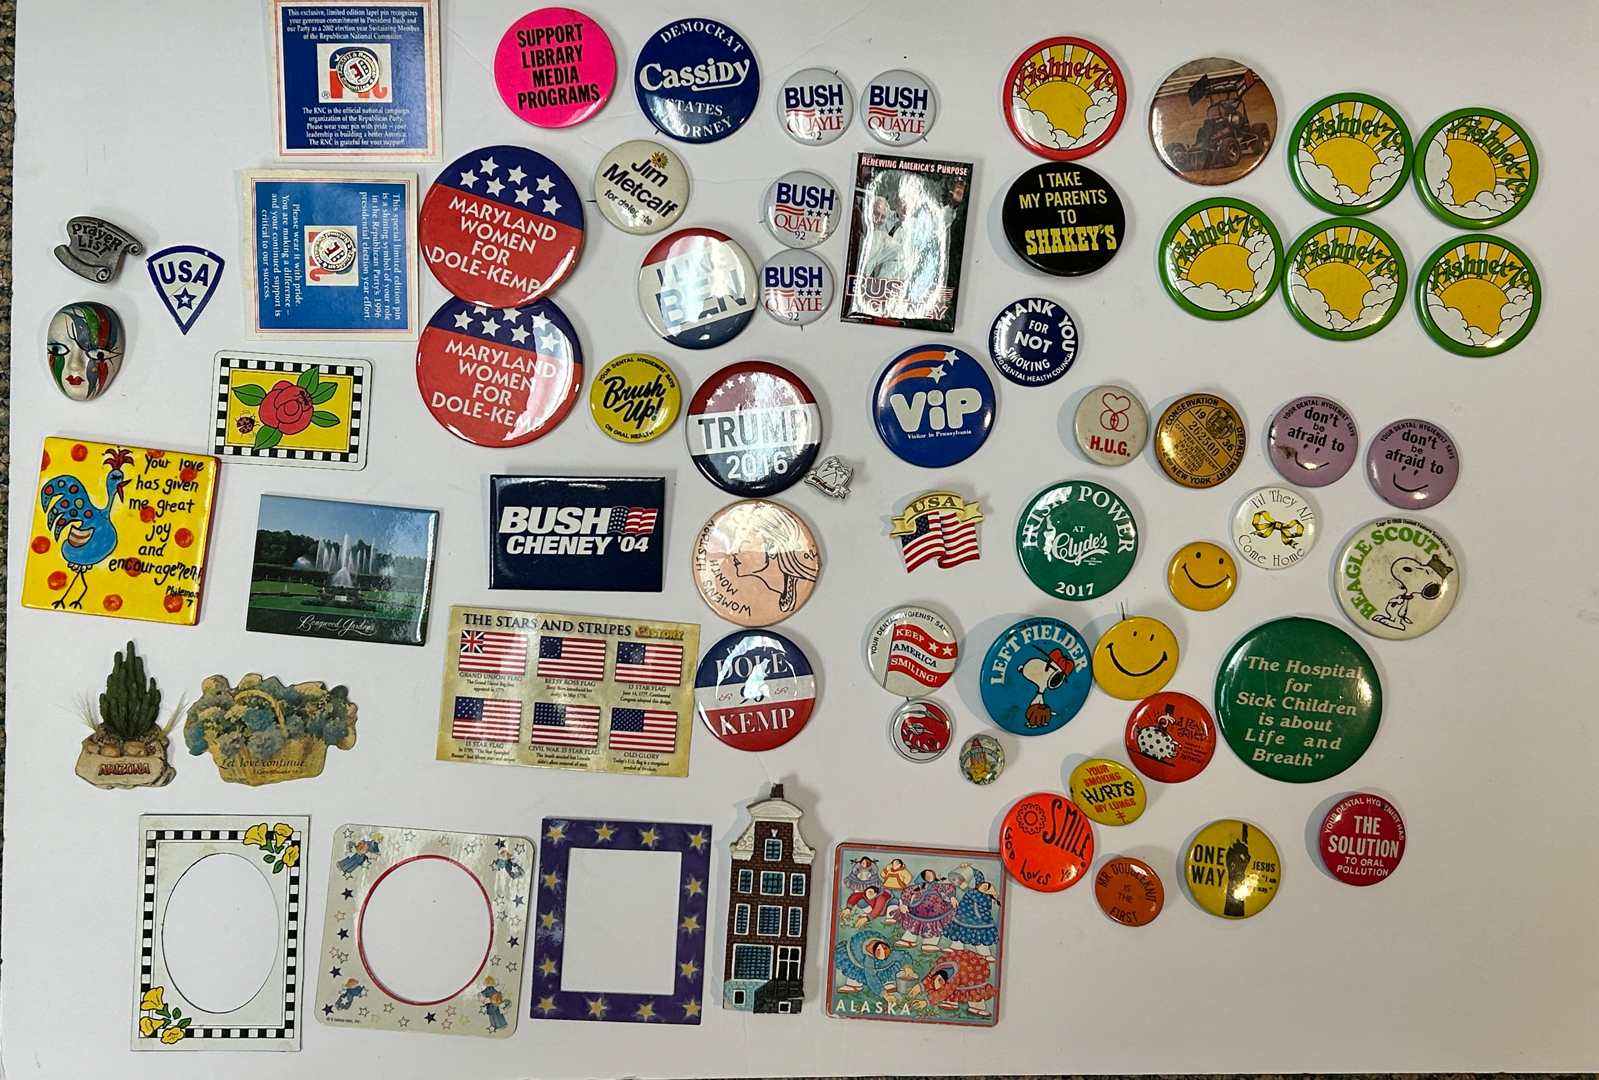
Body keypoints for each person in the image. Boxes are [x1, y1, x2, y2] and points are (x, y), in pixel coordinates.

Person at [894, 867, 958, 951]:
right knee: (914, 925)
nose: (930, 875)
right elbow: (907, 891)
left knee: (935, 927)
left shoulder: (938, 886)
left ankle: (929, 943)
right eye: (927, 873)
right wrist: (905, 904)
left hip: (937, 913)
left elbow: (948, 887)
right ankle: (908, 940)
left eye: (931, 873)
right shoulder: (919, 886)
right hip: (918, 911)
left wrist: (952, 897)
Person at [944, 867, 1001, 958]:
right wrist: (969, 868)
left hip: (979, 922)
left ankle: (985, 955)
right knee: (959, 933)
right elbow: (979, 875)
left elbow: (975, 896)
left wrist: (966, 888)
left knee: (980, 939)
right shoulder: (975, 889)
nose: (983, 886)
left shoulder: (985, 898)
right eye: (983, 884)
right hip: (963, 918)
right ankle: (955, 948)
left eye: (986, 887)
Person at [833, 933, 898, 996]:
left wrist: (905, 965)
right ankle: (853, 984)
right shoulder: (868, 959)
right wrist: (884, 994)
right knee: (855, 968)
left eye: (885, 948)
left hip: (882, 963)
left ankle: (886, 982)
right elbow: (870, 976)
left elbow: (901, 955)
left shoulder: (891, 953)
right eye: (879, 951)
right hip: (856, 951)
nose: (883, 953)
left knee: (887, 966)